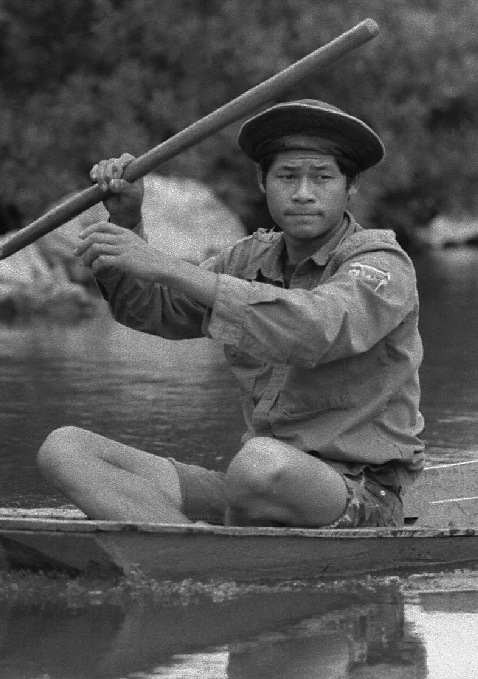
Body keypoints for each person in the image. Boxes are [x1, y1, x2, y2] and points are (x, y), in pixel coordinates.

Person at [36, 99, 424, 528]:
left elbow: (314, 329)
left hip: (358, 493)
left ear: (351, 187)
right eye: (287, 177)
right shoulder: (248, 257)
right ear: (262, 181)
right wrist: (127, 222)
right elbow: (151, 313)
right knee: (65, 448)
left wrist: (165, 264)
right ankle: (184, 551)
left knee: (260, 463)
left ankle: (199, 552)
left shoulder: (382, 263)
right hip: (255, 484)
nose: (303, 194)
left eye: (323, 178)